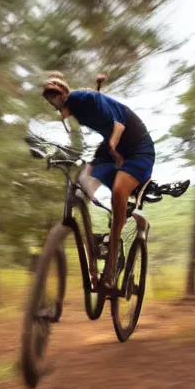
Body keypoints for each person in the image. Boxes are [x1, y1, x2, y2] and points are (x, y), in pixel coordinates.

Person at [41, 72, 155, 289]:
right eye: (50, 98)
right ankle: (94, 254)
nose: (54, 101)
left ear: (65, 93)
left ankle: (111, 265)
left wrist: (112, 147)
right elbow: (77, 140)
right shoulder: (76, 111)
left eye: (56, 96)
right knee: (82, 185)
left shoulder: (83, 99)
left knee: (119, 192)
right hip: (111, 148)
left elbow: (119, 126)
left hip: (136, 149)